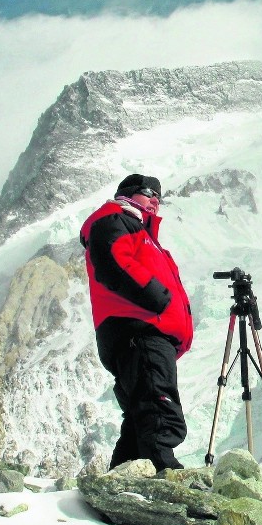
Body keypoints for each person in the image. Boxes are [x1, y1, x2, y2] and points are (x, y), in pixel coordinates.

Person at [80, 174, 193, 471]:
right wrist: (157, 297)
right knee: (158, 406)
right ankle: (164, 473)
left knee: (139, 414)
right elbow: (112, 261)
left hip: (143, 332)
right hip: (139, 330)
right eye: (148, 193)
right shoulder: (115, 219)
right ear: (128, 194)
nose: (155, 199)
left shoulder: (142, 233)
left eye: (159, 196)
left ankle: (122, 479)